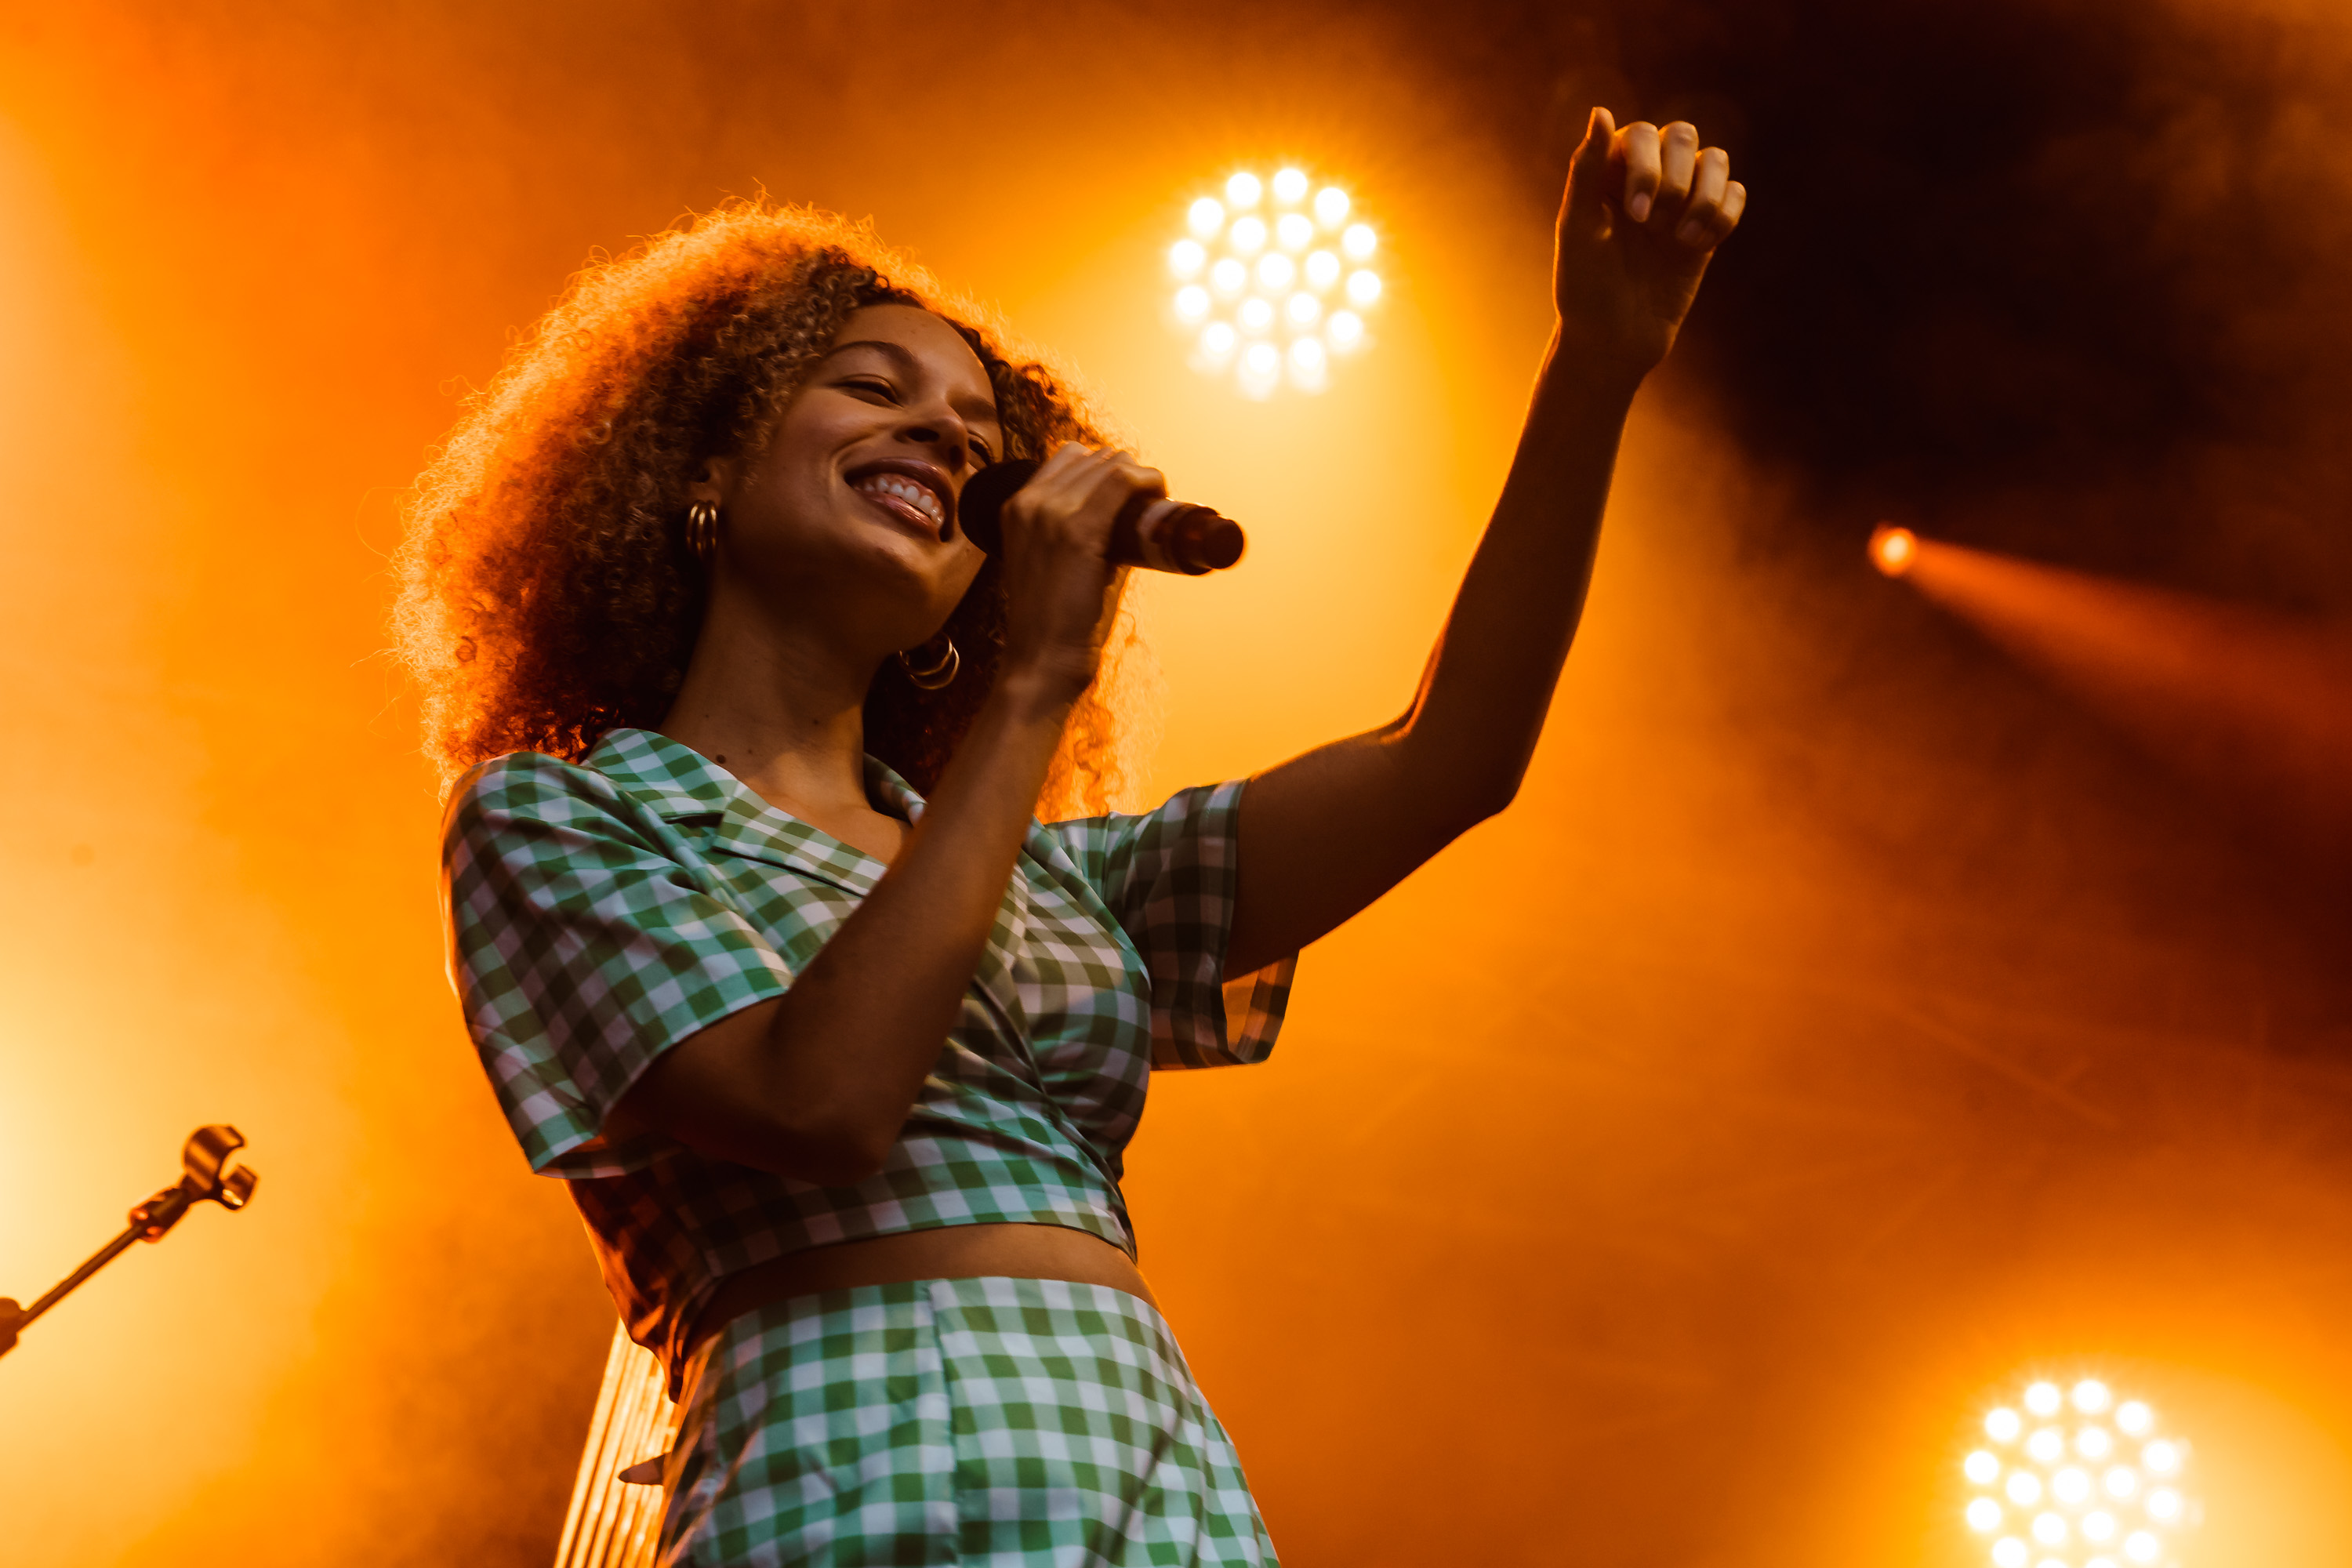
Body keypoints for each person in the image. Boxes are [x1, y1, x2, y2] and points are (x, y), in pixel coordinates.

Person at [400, 107, 1743, 1566]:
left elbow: (1456, 758)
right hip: (851, 1483)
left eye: (983, 440)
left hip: (1146, 1485)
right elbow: (819, 1102)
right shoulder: (568, 815)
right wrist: (1038, 684)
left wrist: (1595, 372)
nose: (948, 435)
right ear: (703, 466)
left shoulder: (1046, 880)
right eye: (873, 386)